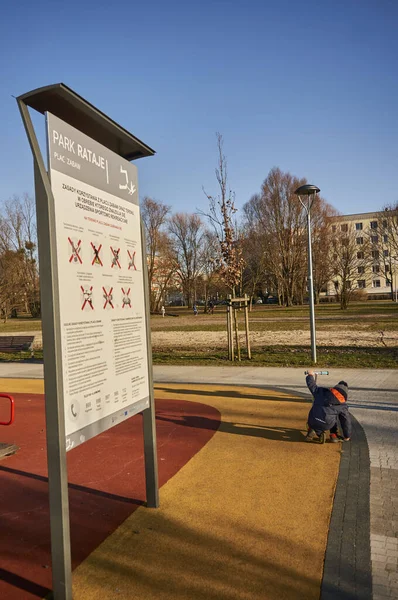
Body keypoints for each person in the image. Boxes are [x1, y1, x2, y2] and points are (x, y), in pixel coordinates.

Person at [305, 370, 352, 443]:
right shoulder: (342, 406)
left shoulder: (321, 392)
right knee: (334, 415)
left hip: (312, 420)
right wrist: (347, 435)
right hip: (328, 424)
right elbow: (346, 421)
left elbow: (312, 385)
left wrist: (310, 375)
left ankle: (311, 429)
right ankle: (333, 434)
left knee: (316, 410)